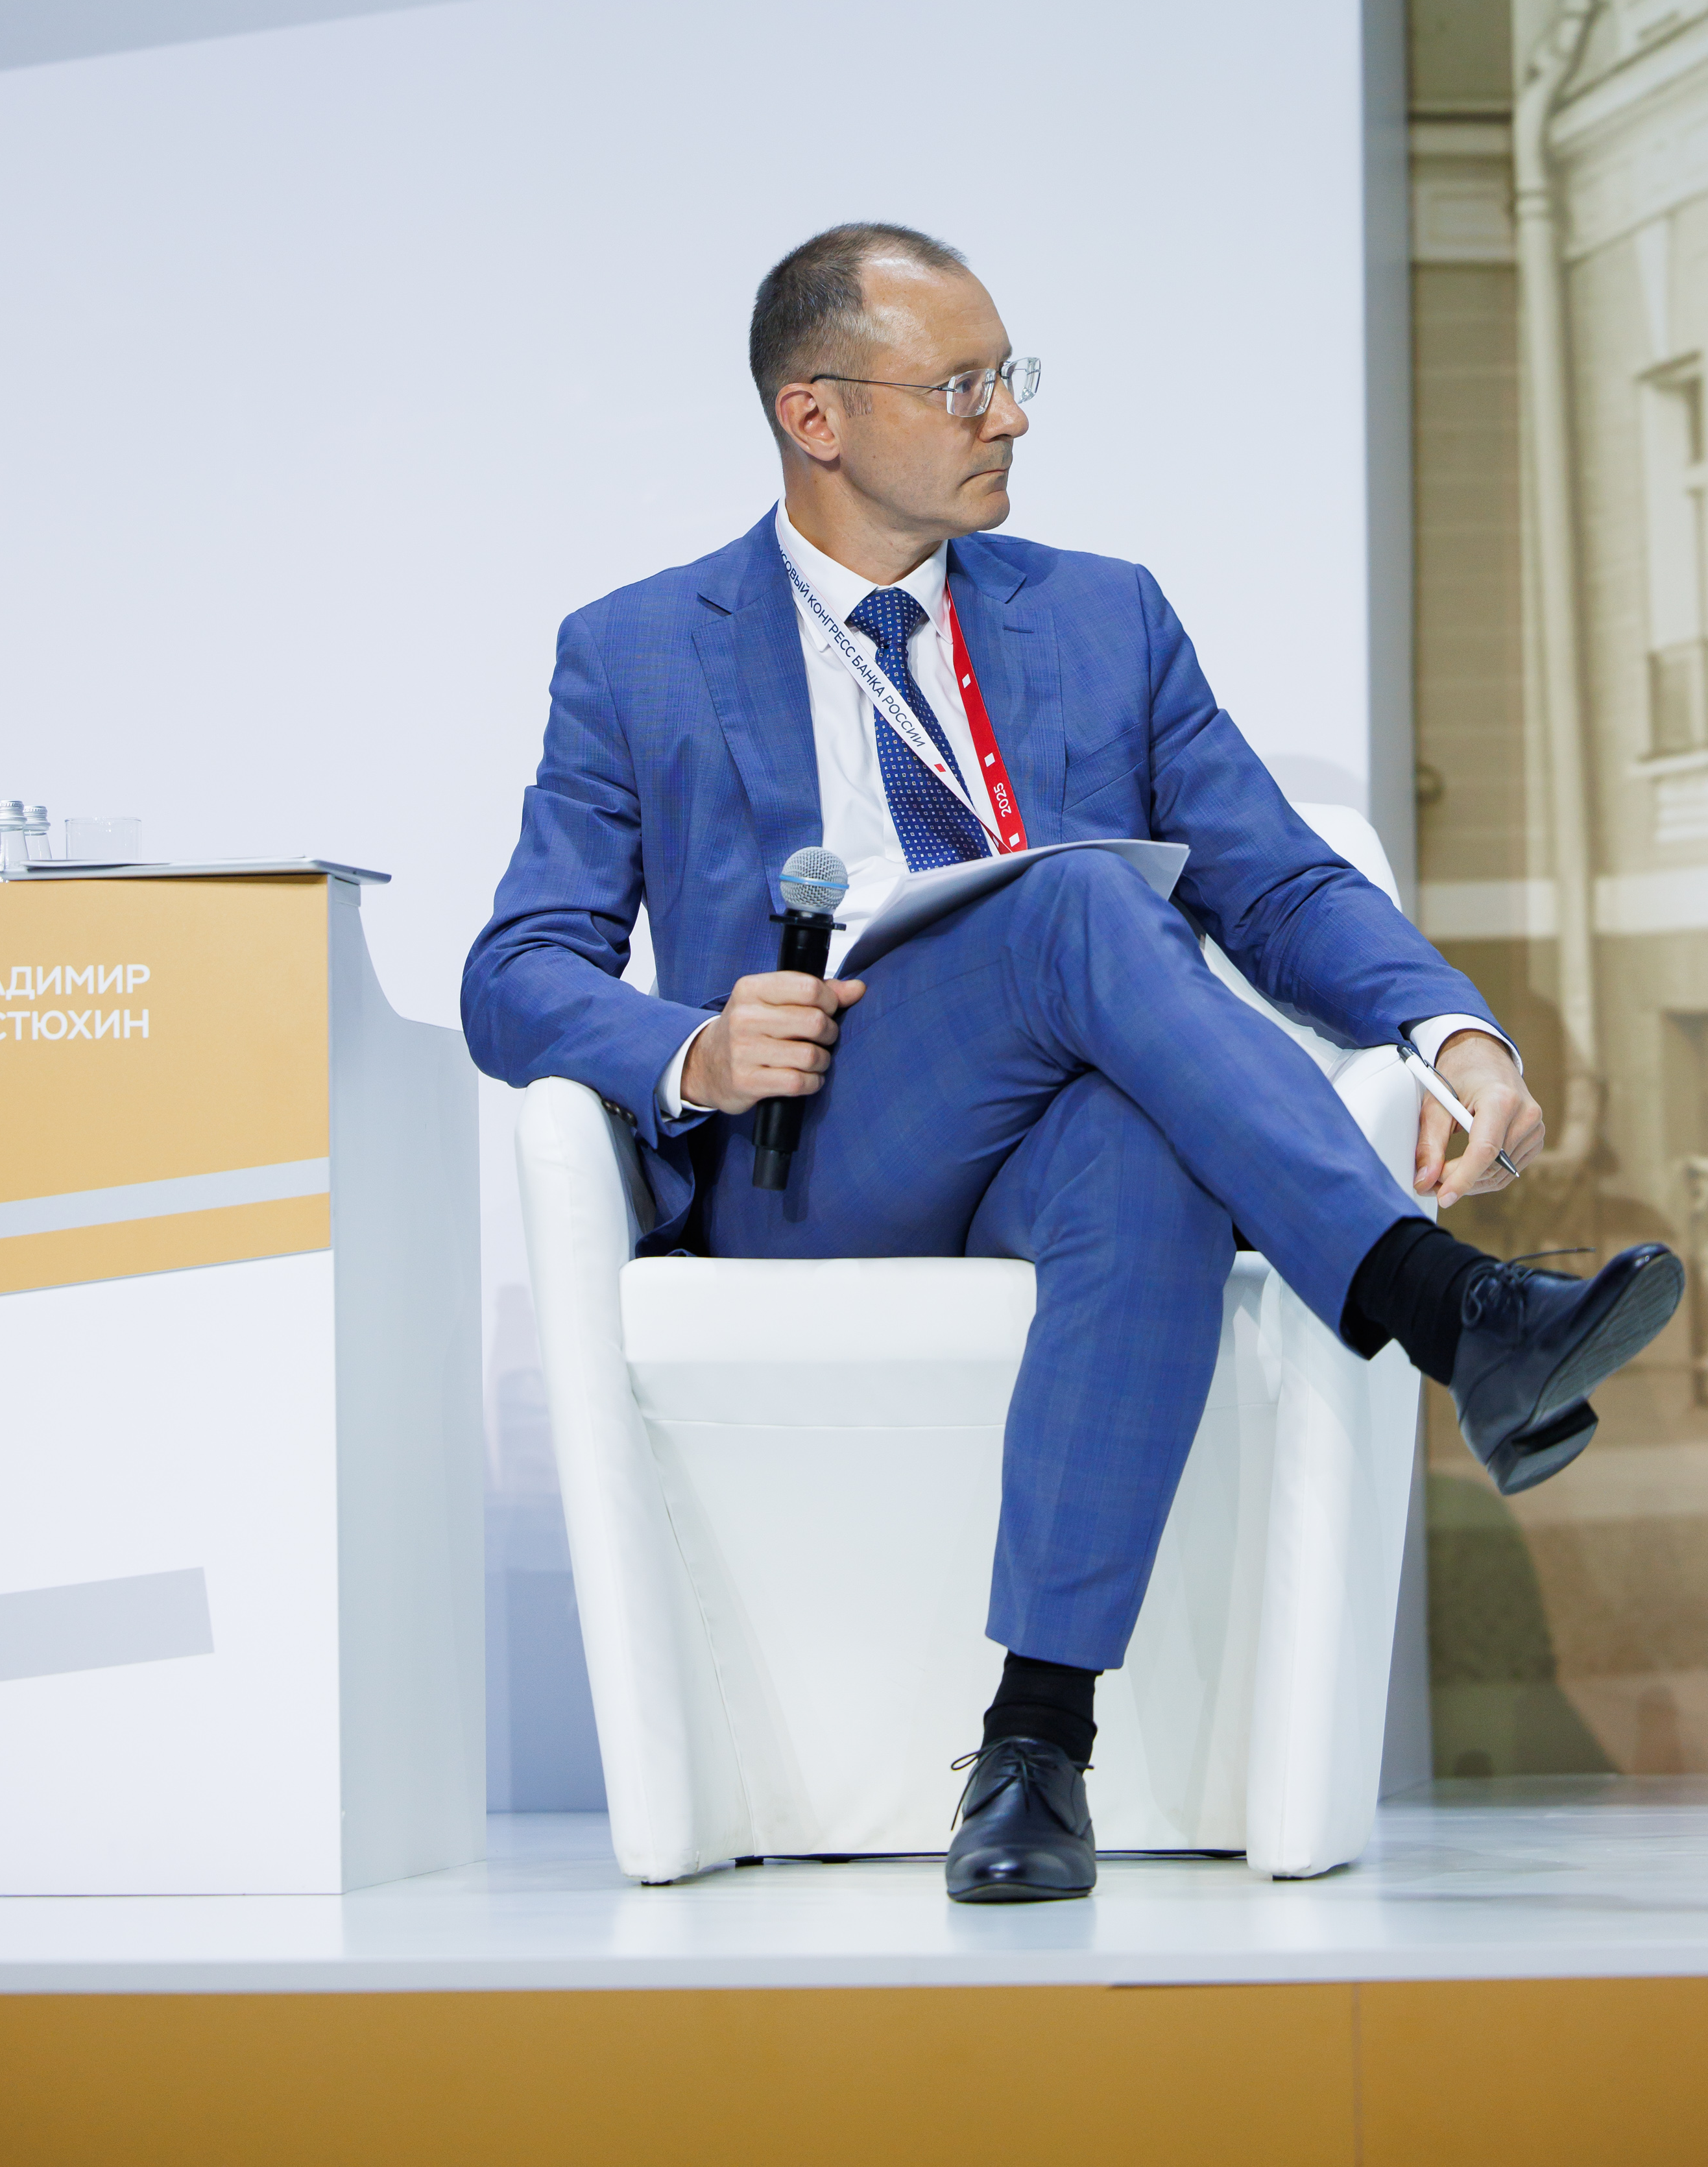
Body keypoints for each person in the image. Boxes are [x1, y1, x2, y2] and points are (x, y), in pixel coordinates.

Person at [464, 222, 1683, 1904]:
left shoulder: (1105, 616)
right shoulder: (638, 649)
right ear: (815, 416)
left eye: (1009, 376)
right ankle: (1445, 1306)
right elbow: (515, 970)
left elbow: (1273, 880)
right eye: (962, 386)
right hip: (815, 1155)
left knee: (1136, 1144)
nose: (1010, 417)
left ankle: (1035, 1744)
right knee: (1085, 902)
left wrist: (1448, 1027)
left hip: (1045, 1135)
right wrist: (694, 1047)